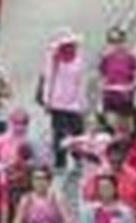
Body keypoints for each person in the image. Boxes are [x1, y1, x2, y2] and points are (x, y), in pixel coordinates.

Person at [39, 29, 88, 171]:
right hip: (58, 102)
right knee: (59, 133)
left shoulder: (78, 59)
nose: (69, 47)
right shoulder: (53, 58)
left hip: (74, 102)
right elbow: (49, 79)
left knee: (77, 131)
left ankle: (78, 158)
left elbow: (80, 81)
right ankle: (60, 161)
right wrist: (46, 100)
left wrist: (83, 102)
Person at [98, 26, 136, 116]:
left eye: (118, 41)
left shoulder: (131, 58)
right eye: (112, 41)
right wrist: (104, 87)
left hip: (125, 97)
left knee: (124, 126)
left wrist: (132, 86)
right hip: (110, 97)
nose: (115, 45)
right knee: (110, 124)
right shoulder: (106, 58)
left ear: (123, 41)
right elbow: (101, 77)